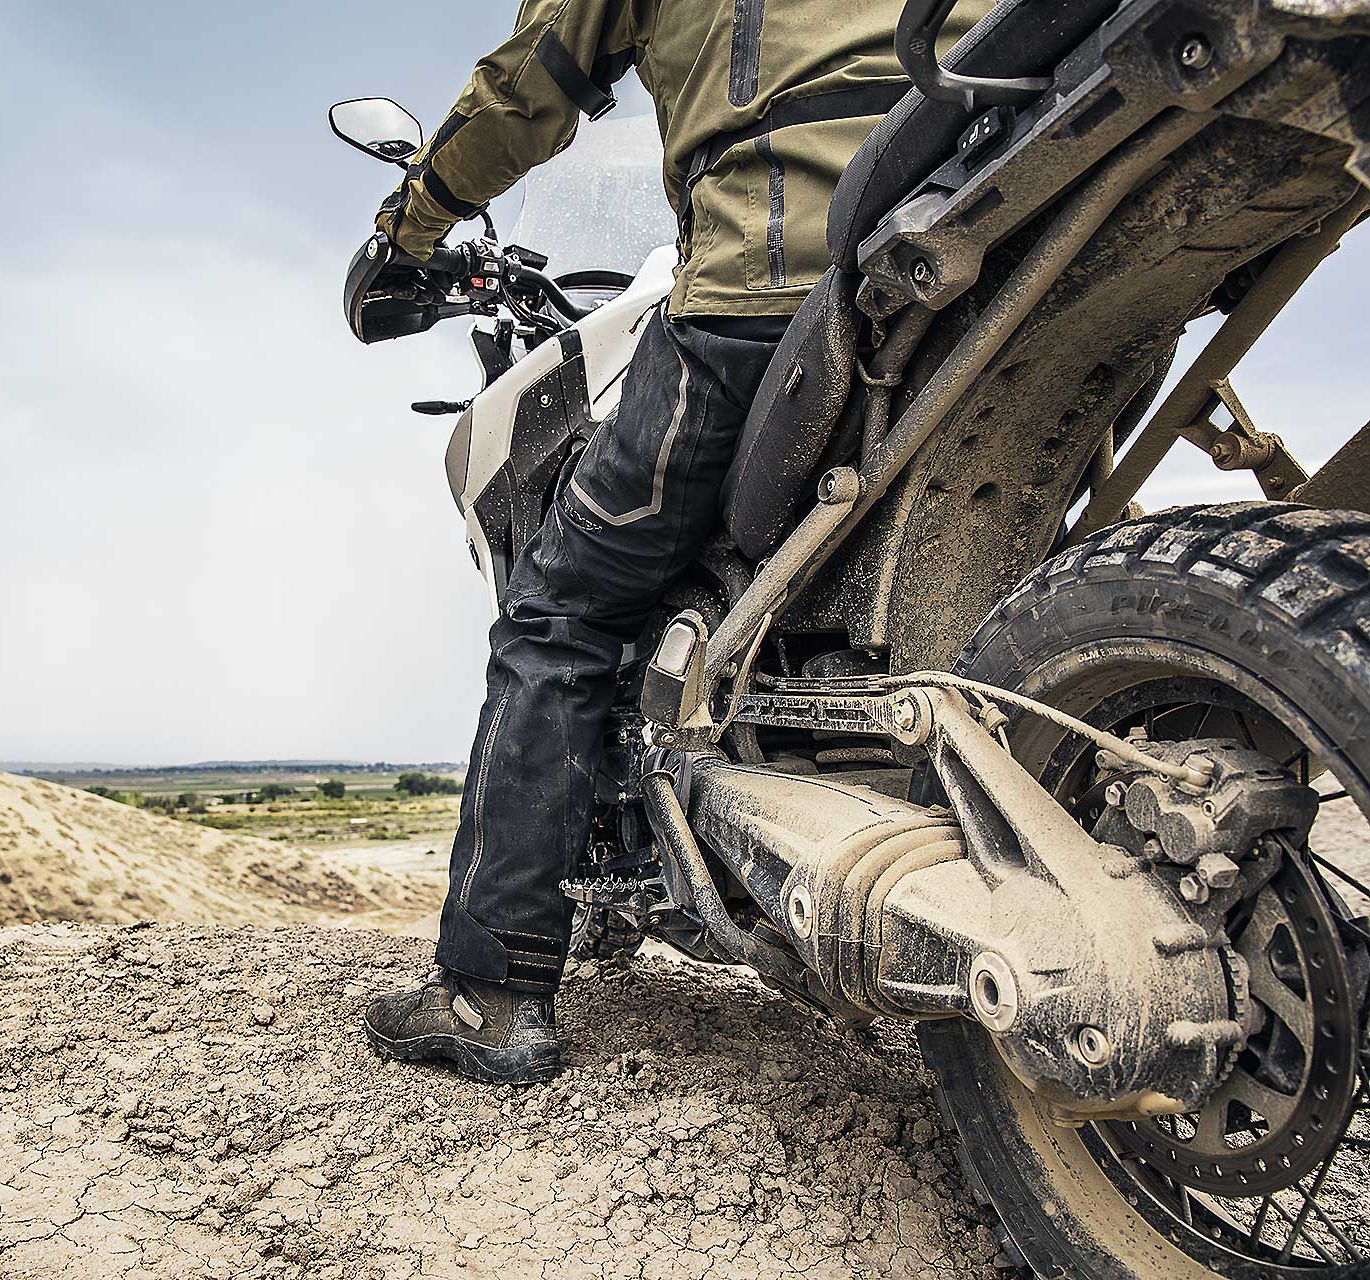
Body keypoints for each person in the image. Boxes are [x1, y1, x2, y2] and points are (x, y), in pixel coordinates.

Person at [361, 0, 983, 1085]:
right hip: (1002, 245)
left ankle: (489, 992)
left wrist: (404, 232)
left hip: (770, 286)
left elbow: (526, 85)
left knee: (558, 613)